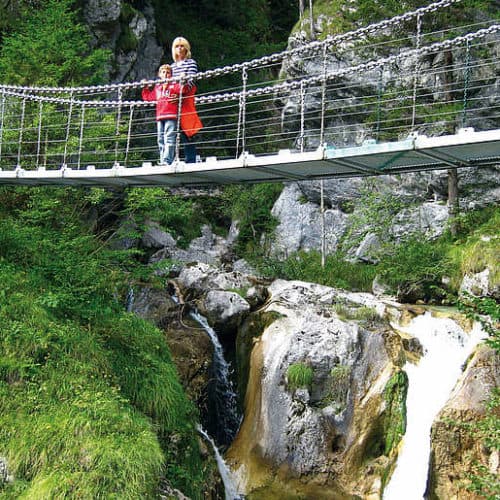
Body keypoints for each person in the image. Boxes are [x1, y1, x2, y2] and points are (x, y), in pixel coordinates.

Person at [141, 64, 182, 165]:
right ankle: (162, 159)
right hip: (160, 116)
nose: (166, 74)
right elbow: (148, 98)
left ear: (171, 75)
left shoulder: (174, 86)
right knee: (160, 139)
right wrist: (145, 88)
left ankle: (167, 160)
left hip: (171, 115)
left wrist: (182, 80)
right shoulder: (158, 87)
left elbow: (182, 90)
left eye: (168, 72)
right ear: (159, 74)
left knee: (169, 137)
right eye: (163, 72)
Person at [170, 36, 202, 163]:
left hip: (185, 99)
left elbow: (190, 81)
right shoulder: (172, 66)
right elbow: (169, 83)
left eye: (182, 46)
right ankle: (170, 159)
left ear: (186, 48)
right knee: (172, 130)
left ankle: (191, 159)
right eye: (177, 46)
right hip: (173, 101)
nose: (180, 48)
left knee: (188, 130)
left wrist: (178, 92)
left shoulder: (191, 63)